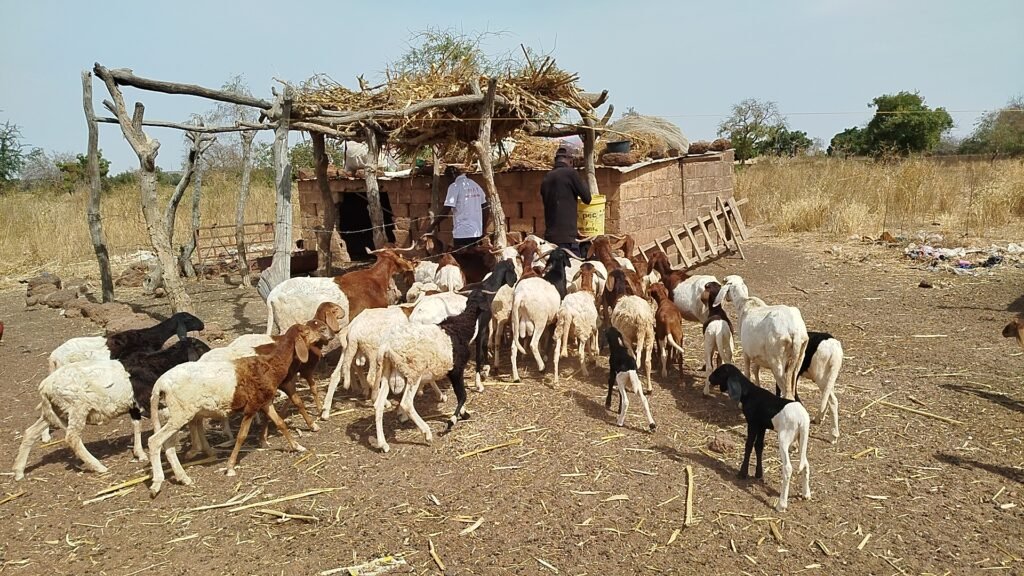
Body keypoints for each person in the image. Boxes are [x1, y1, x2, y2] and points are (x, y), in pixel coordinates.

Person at [540, 147, 591, 257]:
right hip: (568, 239)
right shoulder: (571, 174)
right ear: (570, 161)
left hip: (550, 238)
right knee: (572, 265)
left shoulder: (547, 177)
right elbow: (587, 198)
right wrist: (580, 179)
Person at [428, 165, 490, 249]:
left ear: (450, 177)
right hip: (477, 232)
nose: (447, 182)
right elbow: (485, 208)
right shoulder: (475, 185)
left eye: (447, 180)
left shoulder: (454, 186)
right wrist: (483, 229)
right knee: (474, 256)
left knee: (461, 257)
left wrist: (433, 225)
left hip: (462, 233)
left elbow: (446, 210)